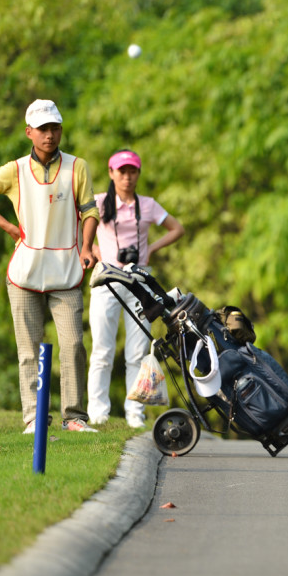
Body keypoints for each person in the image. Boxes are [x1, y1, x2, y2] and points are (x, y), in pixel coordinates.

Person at [0, 99, 99, 433]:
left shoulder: (77, 167)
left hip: (66, 272)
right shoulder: (15, 170)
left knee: (73, 345)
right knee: (28, 350)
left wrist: (86, 246)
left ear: (61, 130)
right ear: (29, 132)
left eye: (54, 128)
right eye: (42, 129)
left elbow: (90, 211)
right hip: (25, 274)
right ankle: (33, 417)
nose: (49, 135)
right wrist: (9, 227)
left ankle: (74, 418)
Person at [87, 149, 184, 428]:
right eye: (122, 171)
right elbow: (73, 227)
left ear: (138, 173)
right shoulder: (99, 202)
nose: (127, 177)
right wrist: (93, 249)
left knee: (139, 351)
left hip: (140, 281)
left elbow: (177, 228)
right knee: (102, 350)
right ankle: (98, 412)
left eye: (132, 171)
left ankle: (134, 414)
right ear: (111, 173)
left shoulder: (148, 205)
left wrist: (150, 248)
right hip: (107, 279)